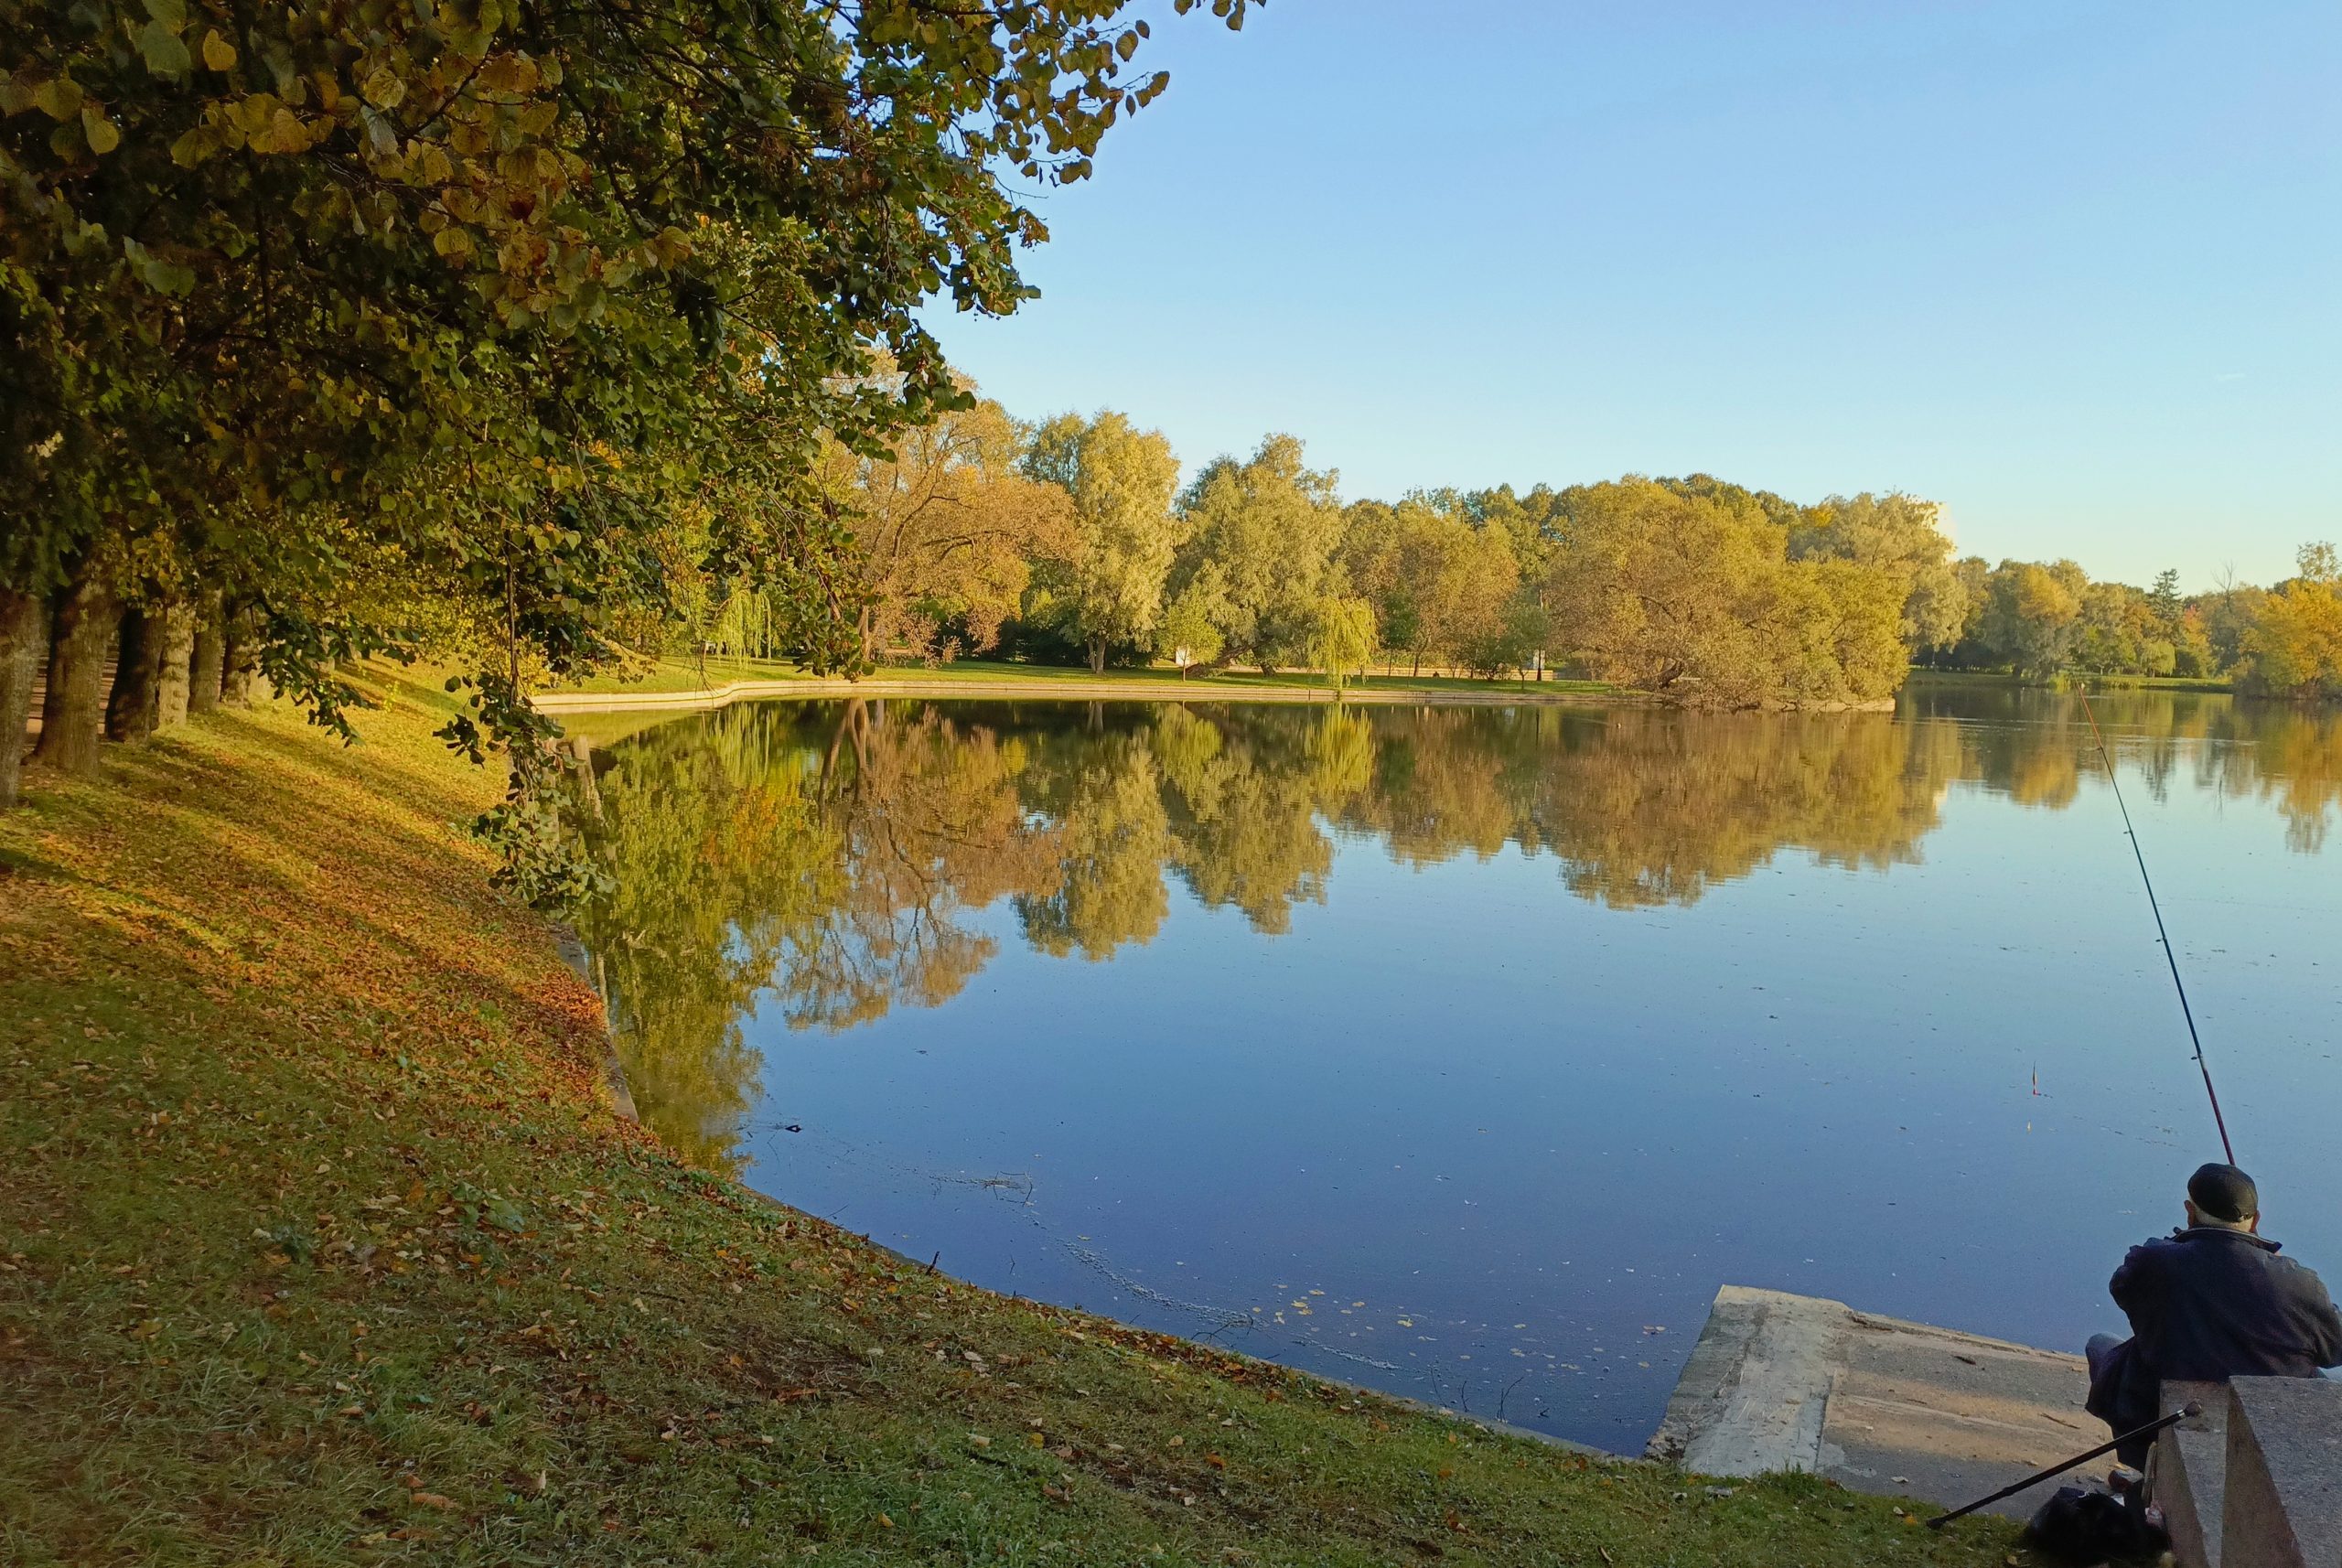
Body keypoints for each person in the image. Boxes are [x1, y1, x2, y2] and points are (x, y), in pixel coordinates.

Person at [2085, 1163, 2342, 1466]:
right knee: (2323, 1385)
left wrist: (2181, 1243)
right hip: (2268, 1421)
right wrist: (2275, 1266)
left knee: (2100, 1344)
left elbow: (2122, 1289)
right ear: (2256, 1219)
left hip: (2157, 1410)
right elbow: (2335, 1351)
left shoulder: (2154, 1262)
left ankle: (2144, 1472)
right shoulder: (2299, 1282)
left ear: (2189, 1211)